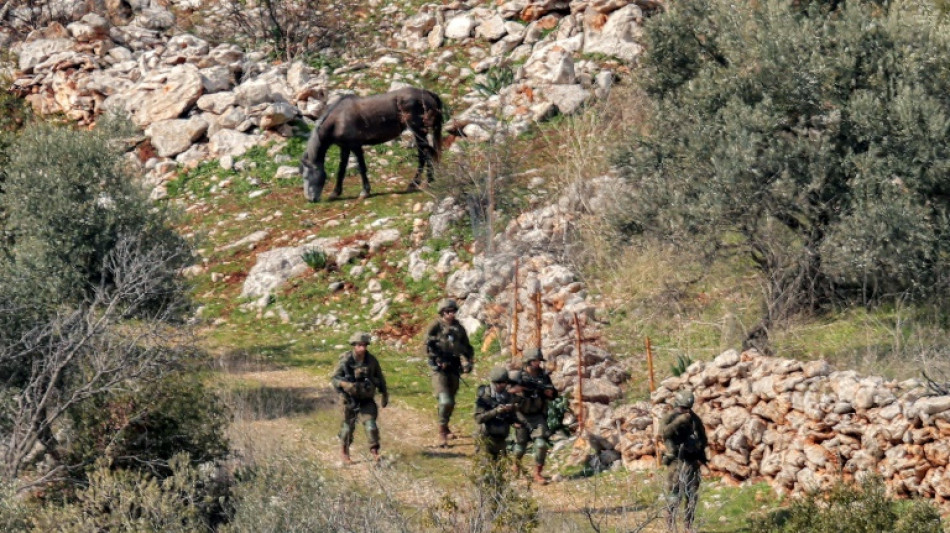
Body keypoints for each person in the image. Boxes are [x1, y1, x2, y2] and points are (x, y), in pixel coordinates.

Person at [332, 332, 388, 465]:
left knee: (371, 426)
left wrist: (384, 393)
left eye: (364, 345)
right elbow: (334, 379)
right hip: (349, 400)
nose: (362, 348)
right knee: (347, 428)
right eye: (359, 345)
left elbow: (380, 377)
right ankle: (344, 452)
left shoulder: (371, 360)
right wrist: (345, 384)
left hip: (366, 399)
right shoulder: (345, 360)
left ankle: (375, 452)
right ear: (354, 345)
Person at [426, 298, 474, 447]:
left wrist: (469, 362)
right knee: (445, 400)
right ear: (442, 312)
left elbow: (467, 347)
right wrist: (437, 359)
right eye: (448, 312)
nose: (451, 314)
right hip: (439, 369)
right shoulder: (436, 326)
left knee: (451, 401)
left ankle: (445, 425)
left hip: (454, 366)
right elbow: (427, 345)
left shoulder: (459, 328)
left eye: (453, 311)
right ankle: (442, 433)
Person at [660, 390, 708, 533]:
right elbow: (663, 434)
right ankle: (670, 527)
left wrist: (697, 447)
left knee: (692, 495)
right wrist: (679, 422)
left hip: (691, 461)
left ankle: (688, 526)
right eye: (682, 408)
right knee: (674, 495)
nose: (685, 411)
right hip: (675, 461)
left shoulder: (694, 419)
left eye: (688, 409)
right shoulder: (669, 417)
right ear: (676, 405)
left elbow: (703, 438)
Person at [511, 347, 558, 484]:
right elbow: (509, 394)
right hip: (521, 415)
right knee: (520, 447)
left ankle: (537, 472)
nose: (538, 364)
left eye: (539, 361)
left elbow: (553, 394)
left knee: (541, 444)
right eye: (535, 361)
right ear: (528, 361)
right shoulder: (519, 377)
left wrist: (550, 393)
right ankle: (516, 465)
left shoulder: (543, 376)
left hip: (538, 416)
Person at [474, 366, 519, 459]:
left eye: (505, 383)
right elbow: (479, 418)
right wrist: (496, 411)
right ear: (494, 383)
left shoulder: (508, 397)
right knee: (487, 470)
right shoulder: (484, 397)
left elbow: (512, 418)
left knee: (500, 470)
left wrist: (512, 415)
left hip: (501, 439)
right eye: (502, 384)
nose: (504, 386)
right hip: (486, 438)